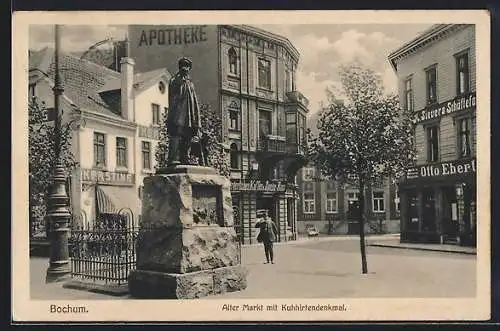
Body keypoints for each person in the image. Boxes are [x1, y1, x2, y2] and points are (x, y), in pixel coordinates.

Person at [166, 57, 203, 166]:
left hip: (189, 115)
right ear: (180, 67)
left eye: (187, 67)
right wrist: (180, 82)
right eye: (183, 66)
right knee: (176, 135)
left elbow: (194, 101)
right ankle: (174, 158)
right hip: (178, 114)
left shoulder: (190, 83)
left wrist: (197, 118)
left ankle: (185, 158)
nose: (185, 69)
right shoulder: (175, 80)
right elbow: (173, 97)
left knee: (188, 136)